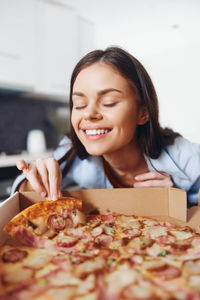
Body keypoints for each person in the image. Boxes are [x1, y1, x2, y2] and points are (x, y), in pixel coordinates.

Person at [12, 46, 200, 206]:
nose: (89, 114)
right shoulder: (72, 153)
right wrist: (36, 182)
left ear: (143, 113)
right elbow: (22, 191)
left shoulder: (184, 156)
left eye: (109, 102)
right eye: (79, 104)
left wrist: (176, 198)